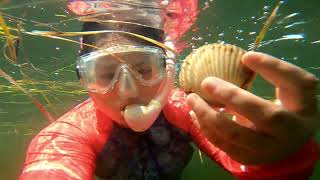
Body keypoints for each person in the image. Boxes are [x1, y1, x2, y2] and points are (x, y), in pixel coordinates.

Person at [20, 0, 319, 180]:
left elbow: (248, 161)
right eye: (105, 73)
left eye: (144, 68)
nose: (128, 90)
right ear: (83, 78)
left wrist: (280, 158)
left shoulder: (188, 109)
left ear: (167, 69)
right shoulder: (66, 136)